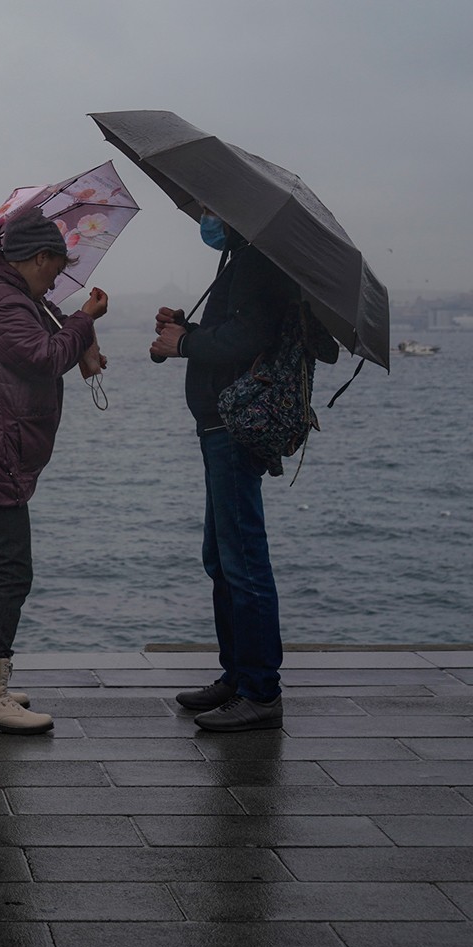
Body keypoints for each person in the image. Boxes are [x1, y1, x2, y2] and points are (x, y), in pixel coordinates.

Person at [0, 212, 107, 735]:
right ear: (36, 258)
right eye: (54, 268)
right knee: (11, 571)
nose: (56, 279)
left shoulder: (1, 295)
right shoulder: (6, 301)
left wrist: (77, 329)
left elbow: (44, 337)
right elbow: (39, 355)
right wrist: (85, 321)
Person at [150, 211, 297, 732]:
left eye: (214, 212)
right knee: (221, 558)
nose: (207, 219)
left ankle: (260, 690)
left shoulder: (259, 263)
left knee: (243, 561)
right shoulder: (241, 259)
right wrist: (184, 330)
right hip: (218, 426)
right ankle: (236, 676)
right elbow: (232, 333)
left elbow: (248, 336)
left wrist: (185, 343)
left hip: (234, 427)